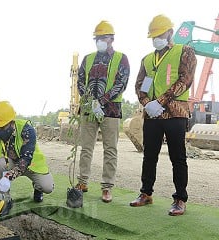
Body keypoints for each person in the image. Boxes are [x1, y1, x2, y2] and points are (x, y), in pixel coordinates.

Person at [130, 15, 197, 216]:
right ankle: (146, 193)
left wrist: (159, 102)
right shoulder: (148, 59)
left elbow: (185, 79)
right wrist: (146, 104)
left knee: (178, 157)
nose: (155, 39)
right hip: (152, 116)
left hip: (176, 113)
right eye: (153, 36)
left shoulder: (185, 51)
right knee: (149, 156)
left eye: (159, 34)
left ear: (170, 32)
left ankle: (179, 199)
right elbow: (140, 85)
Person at [75, 20, 130, 203]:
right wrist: (91, 101)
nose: (99, 41)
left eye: (102, 37)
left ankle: (107, 187)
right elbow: (80, 81)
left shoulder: (121, 58)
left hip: (111, 110)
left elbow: (121, 83)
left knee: (110, 149)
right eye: (97, 38)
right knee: (86, 148)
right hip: (89, 110)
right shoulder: (87, 58)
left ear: (111, 39)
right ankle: (82, 182)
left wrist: (103, 102)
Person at [0, 101, 54, 203]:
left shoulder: (27, 130)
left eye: (2, 127)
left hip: (31, 165)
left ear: (11, 122)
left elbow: (25, 161)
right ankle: (5, 198)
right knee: (0, 163)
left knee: (47, 187)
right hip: (11, 164)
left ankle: (38, 188)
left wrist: (8, 177)